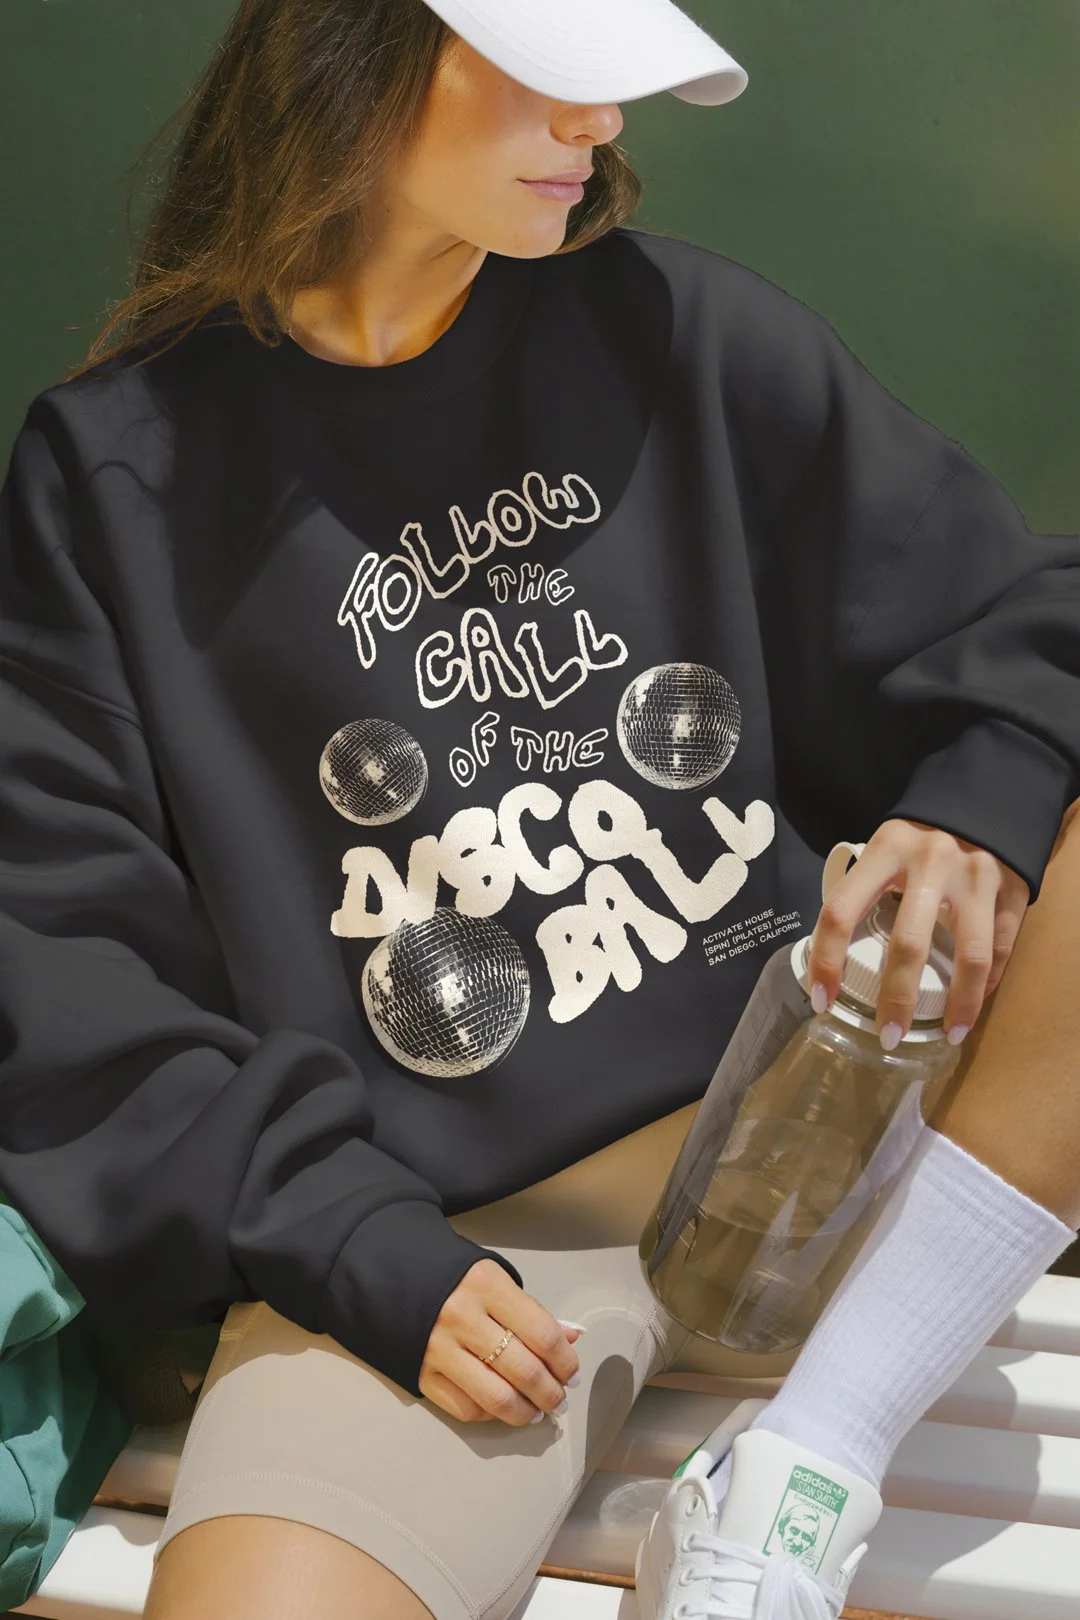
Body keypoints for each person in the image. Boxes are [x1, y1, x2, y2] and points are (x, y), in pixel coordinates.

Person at [1, 1, 1079, 1617]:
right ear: (353, 46)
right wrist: (352, 1243)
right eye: (555, 73)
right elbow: (64, 957)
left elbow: (1021, 619)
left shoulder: (683, 332)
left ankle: (802, 1474)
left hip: (823, 1139)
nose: (602, 123)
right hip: (460, 1252)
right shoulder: (117, 475)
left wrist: (975, 809)